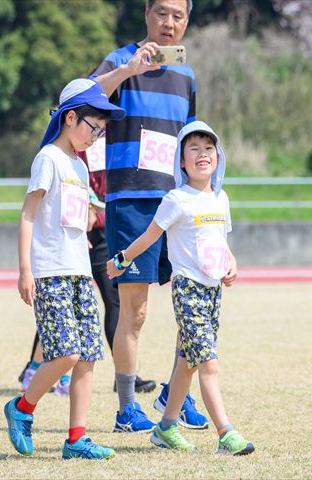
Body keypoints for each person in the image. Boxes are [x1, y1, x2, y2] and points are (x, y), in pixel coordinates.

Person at [91, 0, 207, 433]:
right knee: (135, 311)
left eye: (178, 16)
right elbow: (83, 98)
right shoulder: (120, 61)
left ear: (187, 21)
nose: (169, 23)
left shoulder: (186, 75)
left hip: (178, 203)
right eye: (161, 13)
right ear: (146, 14)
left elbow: (191, 140)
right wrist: (127, 71)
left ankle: (176, 394)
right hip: (132, 200)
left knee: (191, 305)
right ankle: (126, 409)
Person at [107, 121, 254, 455]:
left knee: (188, 361)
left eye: (209, 148)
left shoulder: (220, 198)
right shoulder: (176, 199)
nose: (203, 154)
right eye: (194, 149)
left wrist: (231, 262)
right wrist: (122, 259)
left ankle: (165, 428)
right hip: (188, 290)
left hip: (213, 291)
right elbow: (149, 236)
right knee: (208, 363)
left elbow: (220, 240)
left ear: (218, 157)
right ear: (182, 162)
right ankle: (226, 433)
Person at [4, 78, 124, 459]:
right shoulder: (48, 159)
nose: (96, 136)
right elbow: (28, 215)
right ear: (70, 118)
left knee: (87, 355)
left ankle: (76, 439)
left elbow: (69, 217)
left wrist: (84, 230)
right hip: (50, 272)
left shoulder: (79, 166)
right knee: (66, 354)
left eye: (101, 131)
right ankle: (22, 408)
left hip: (79, 271)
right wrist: (25, 269)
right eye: (93, 127)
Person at [17, 149, 157, 395]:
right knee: (60, 307)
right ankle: (36, 368)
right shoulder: (68, 150)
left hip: (102, 233)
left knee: (113, 302)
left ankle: (124, 376)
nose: (98, 131)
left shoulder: (113, 142)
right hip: (73, 231)